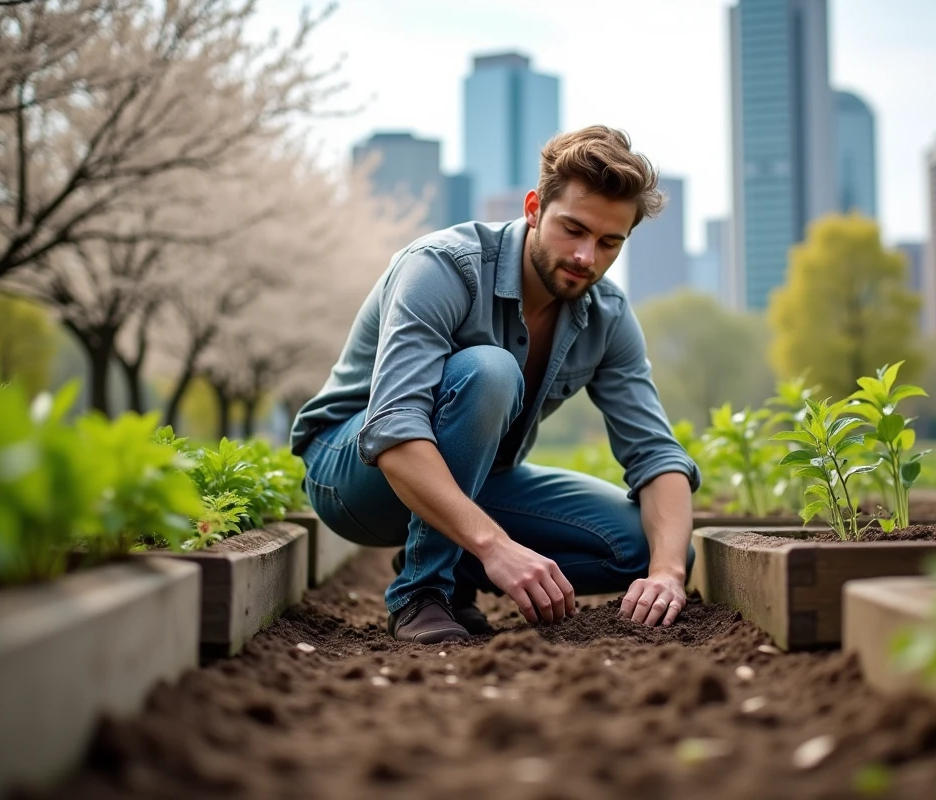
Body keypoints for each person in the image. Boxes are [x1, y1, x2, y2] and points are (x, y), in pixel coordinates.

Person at [289, 125, 701, 644]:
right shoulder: (442, 267)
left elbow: (657, 455)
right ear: (533, 209)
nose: (585, 257)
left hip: (477, 480)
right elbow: (392, 430)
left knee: (650, 545)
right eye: (573, 229)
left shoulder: (609, 316)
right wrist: (495, 546)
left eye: (608, 242)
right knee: (491, 369)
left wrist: (667, 573)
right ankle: (421, 592)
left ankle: (454, 566)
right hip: (353, 472)